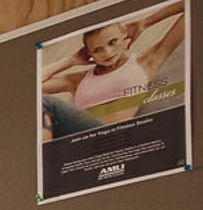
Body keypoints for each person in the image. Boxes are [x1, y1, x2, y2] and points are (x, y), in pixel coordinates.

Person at [38, 2, 186, 138]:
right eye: (97, 50)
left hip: (111, 137)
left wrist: (146, 22)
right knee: (41, 104)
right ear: (88, 53)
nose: (107, 53)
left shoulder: (147, 61)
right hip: (79, 139)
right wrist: (69, 61)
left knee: (45, 105)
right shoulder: (79, 80)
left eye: (112, 42)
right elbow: (32, 88)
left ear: (123, 33)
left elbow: (189, 7)